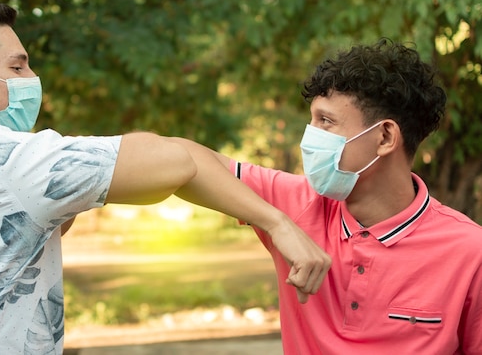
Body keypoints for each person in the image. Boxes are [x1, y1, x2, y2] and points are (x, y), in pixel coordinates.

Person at [0, 0, 330, 354]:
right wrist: (278, 222)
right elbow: (177, 161)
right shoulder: (5, 159)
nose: (31, 77)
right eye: (17, 65)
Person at [171, 40, 482, 353]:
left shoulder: (471, 252)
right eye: (312, 120)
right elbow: (179, 159)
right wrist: (277, 224)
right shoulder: (290, 204)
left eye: (325, 121)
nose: (310, 137)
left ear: (385, 137)